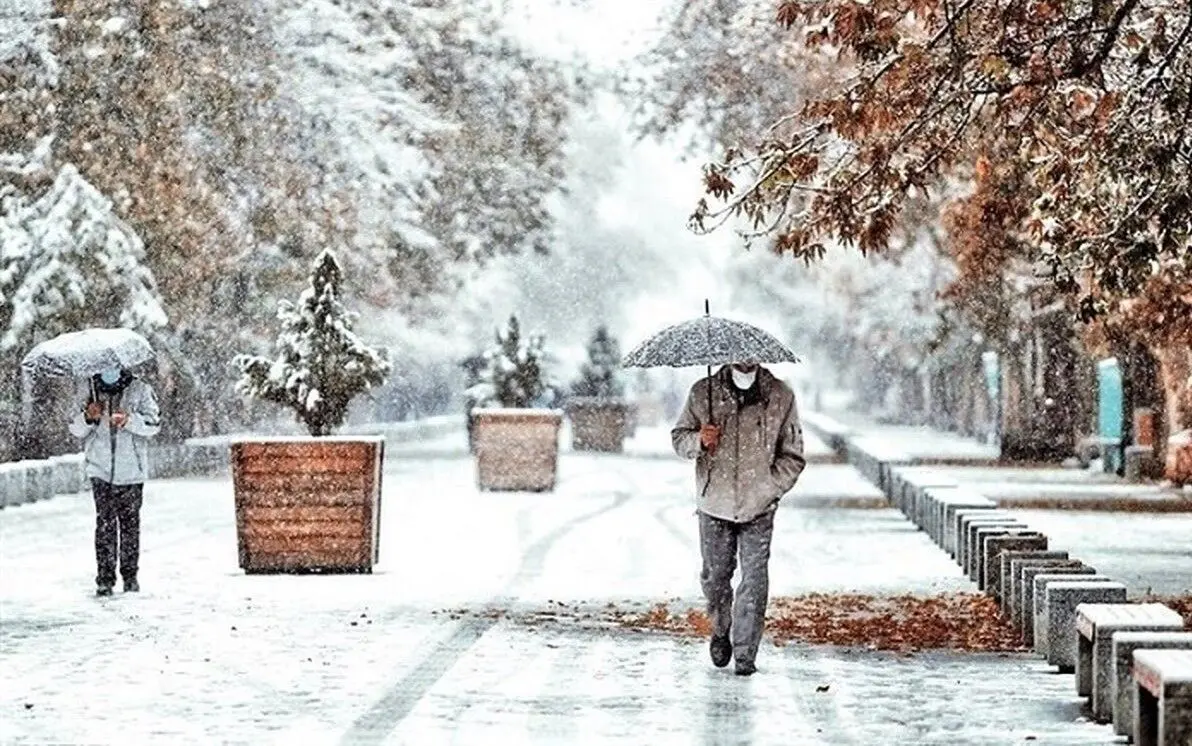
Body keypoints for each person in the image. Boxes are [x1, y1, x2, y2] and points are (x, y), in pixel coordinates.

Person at [671, 361, 806, 676]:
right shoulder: (703, 392)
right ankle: (721, 629)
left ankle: (745, 654)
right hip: (714, 502)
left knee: (754, 580)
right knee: (715, 577)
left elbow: (794, 454)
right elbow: (679, 438)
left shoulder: (780, 396)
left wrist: (770, 487)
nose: (744, 360)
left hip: (758, 506)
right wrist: (699, 441)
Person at [69, 367, 160, 596]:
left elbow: (153, 424)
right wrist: (88, 416)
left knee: (129, 525)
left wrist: (129, 420)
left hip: (131, 471)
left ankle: (130, 576)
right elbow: (75, 428)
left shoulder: (139, 389)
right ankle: (105, 578)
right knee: (105, 525)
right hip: (100, 470)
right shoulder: (88, 390)